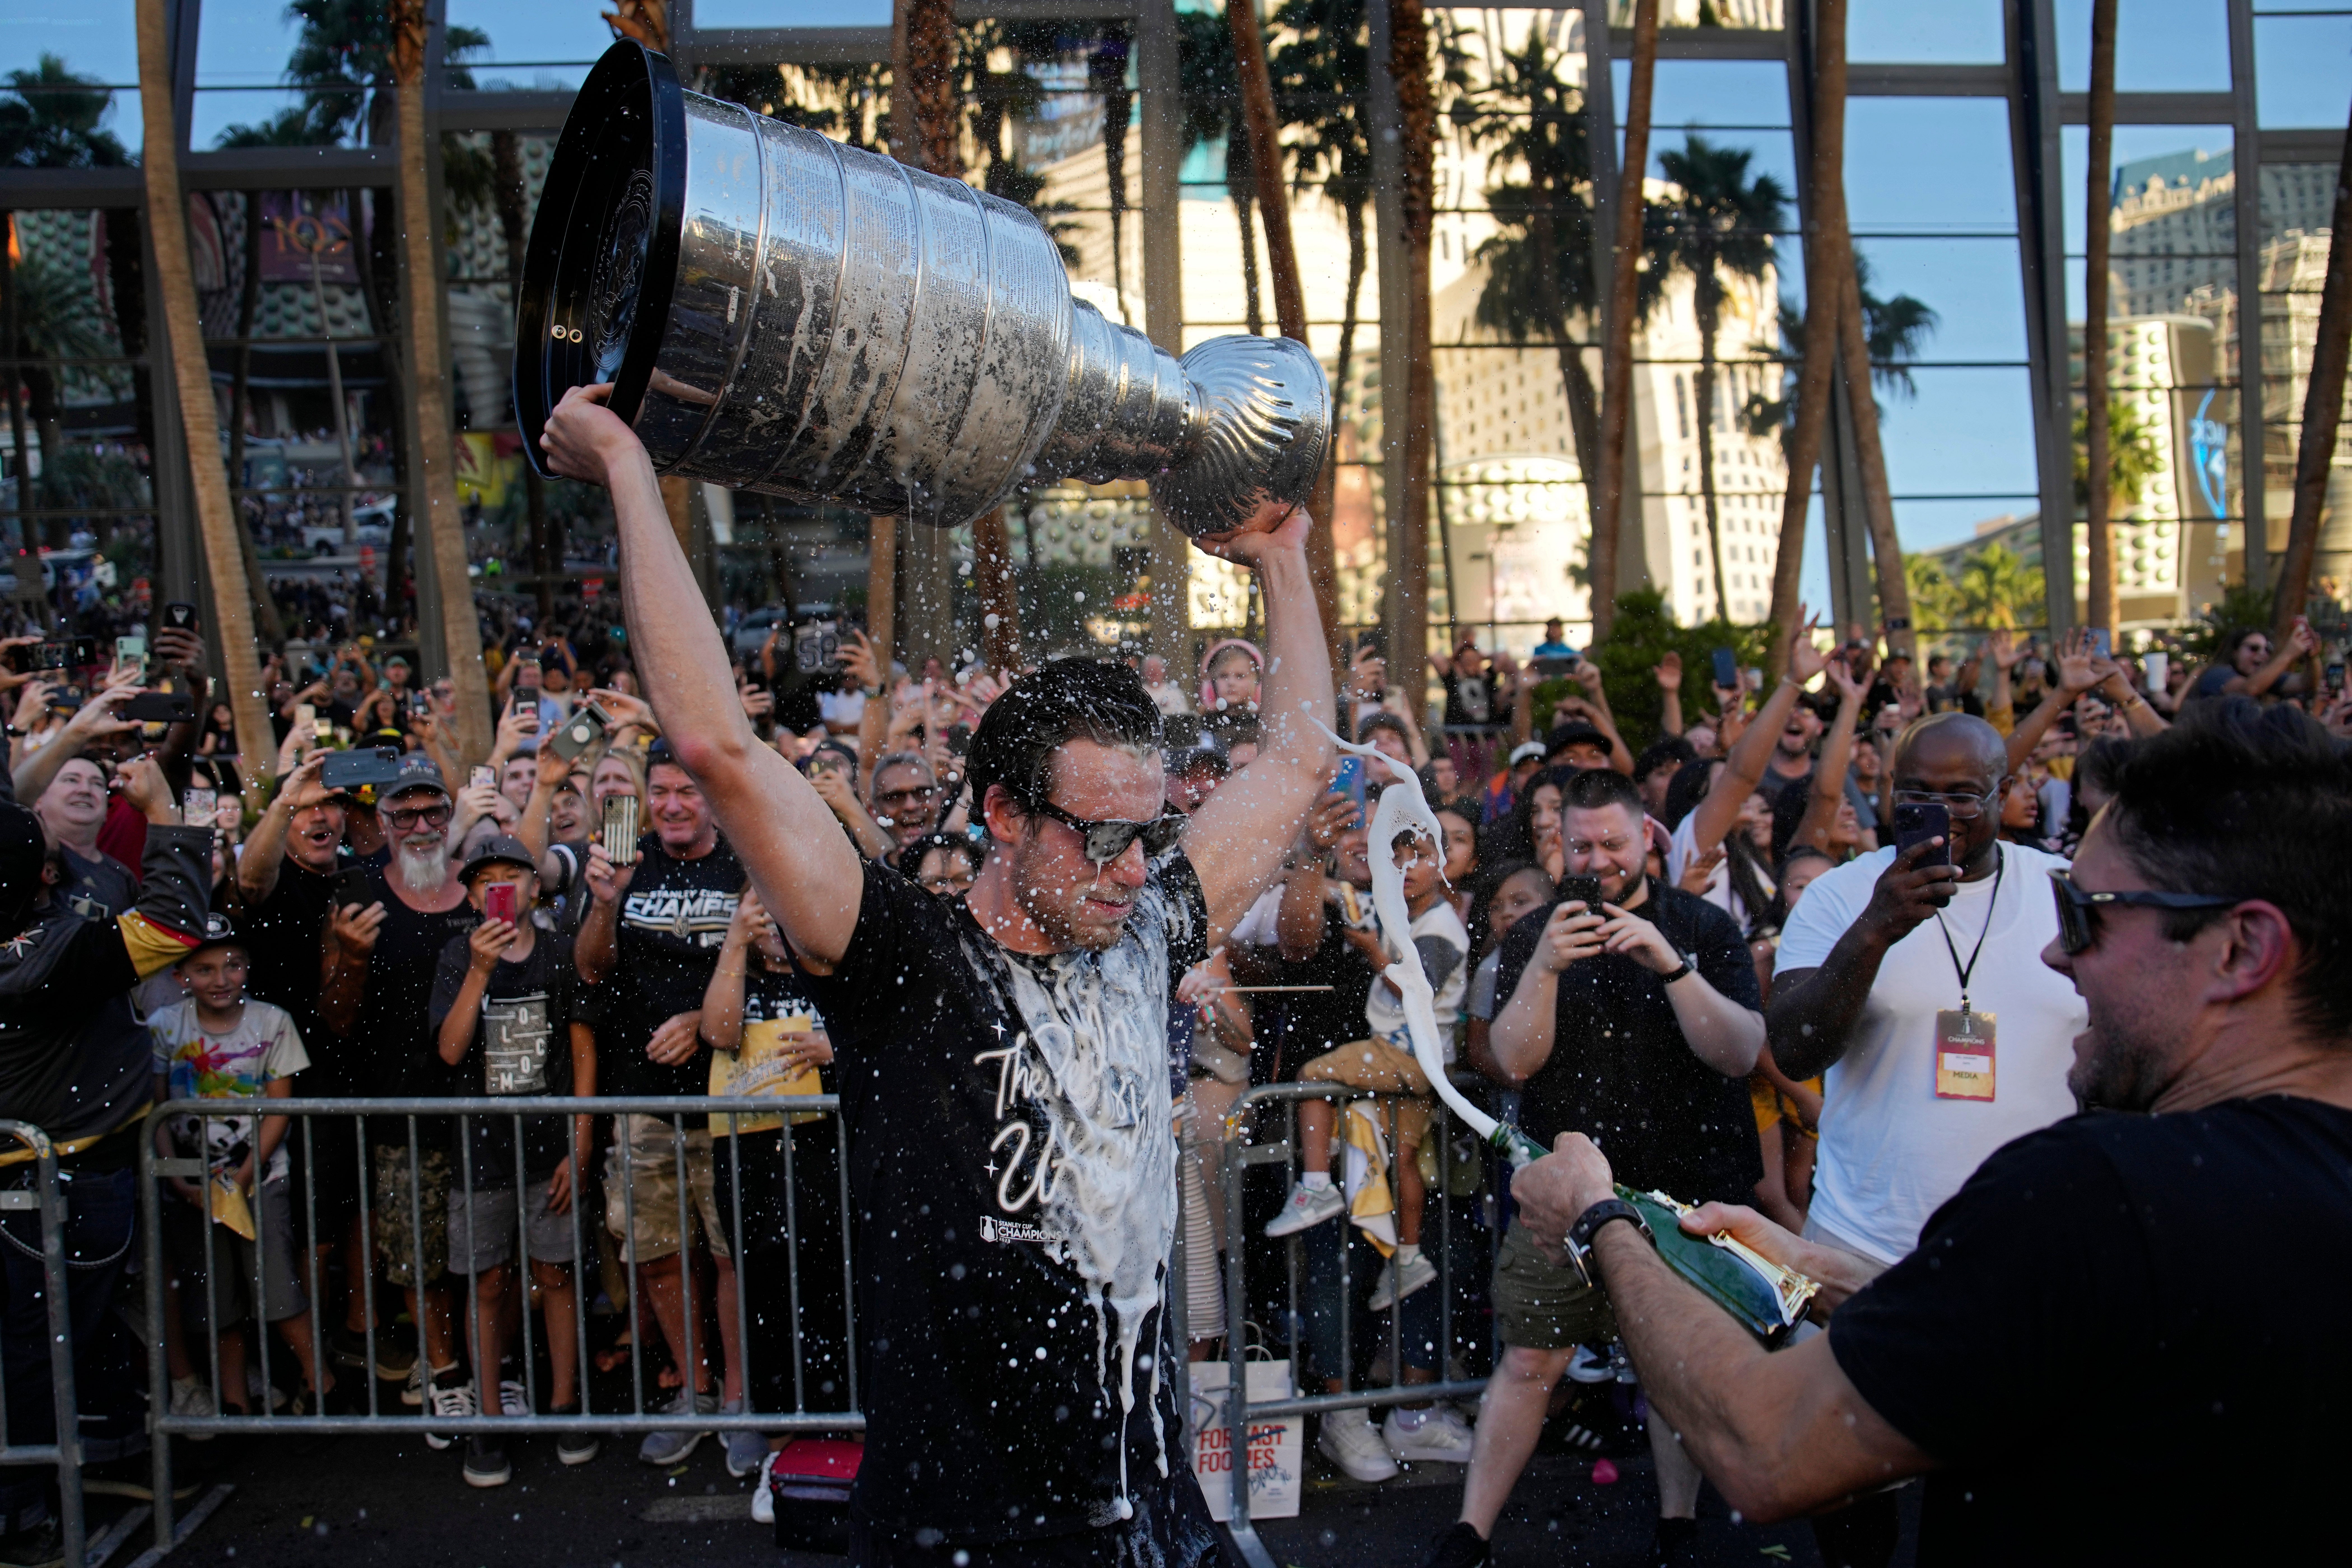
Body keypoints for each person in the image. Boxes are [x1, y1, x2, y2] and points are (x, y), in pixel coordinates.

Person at [540, 377, 1332, 1565]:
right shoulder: (905, 959)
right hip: (960, 1536)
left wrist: (1280, 559)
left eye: (1149, 832)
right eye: (1098, 835)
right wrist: (629, 475)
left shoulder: (1141, 931)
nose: (1131, 869)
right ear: (1004, 812)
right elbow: (716, 743)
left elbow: (1294, 768)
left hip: (1161, 1533)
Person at [1507, 698, 2352, 1564]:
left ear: (2243, 948)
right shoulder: (2191, 1207)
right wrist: (1819, 1267)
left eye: (2091, 918)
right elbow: (2029, 1330)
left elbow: (1767, 1446)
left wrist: (1600, 1220)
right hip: (1869, 1232)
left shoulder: (2097, 1198)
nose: (2060, 957)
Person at [1433, 767, 1765, 1568]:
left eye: (1613, 842)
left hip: (1682, 1191)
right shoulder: (1530, 936)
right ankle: (1468, 1535)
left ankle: (1677, 1526)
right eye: (1580, 844)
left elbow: (1740, 1053)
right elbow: (1512, 1063)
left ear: (1645, 836)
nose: (1598, 858)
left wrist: (1672, 966)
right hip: (1566, 1193)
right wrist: (1543, 966)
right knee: (1529, 1359)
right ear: (1559, 847)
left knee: (1675, 1367)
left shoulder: (1701, 926)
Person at [0, 753, 206, 1563]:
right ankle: (25, 1511)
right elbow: (173, 928)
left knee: (49, 1348)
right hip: (57, 1182)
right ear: (41, 871)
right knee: (38, 1352)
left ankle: (71, 1471)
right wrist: (169, 817)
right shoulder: (43, 962)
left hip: (48, 1173)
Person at [577, 739, 742, 1464]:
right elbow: (589, 968)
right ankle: (694, 1389)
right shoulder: (624, 861)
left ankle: (739, 1401)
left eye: (688, 791)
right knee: (659, 1257)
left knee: (730, 1252)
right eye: (662, 792)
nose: (673, 806)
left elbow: (771, 967)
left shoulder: (741, 862)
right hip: (643, 1100)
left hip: (732, 1095)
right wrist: (604, 907)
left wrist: (704, 1030)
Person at [317, 754, 479, 1436]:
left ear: (450, 817)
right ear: (380, 822)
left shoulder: (481, 890)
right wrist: (350, 958)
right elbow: (335, 1018)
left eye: (432, 812)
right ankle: (444, 1370)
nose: (419, 825)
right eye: (404, 814)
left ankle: (486, 1365)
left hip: (486, 1102)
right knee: (418, 1253)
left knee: (486, 1252)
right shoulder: (358, 892)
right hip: (400, 1104)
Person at [429, 836, 599, 1487]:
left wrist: (580, 1139)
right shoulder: (457, 955)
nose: (500, 888)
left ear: (535, 887)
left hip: (548, 1146)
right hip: (479, 1152)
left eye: (513, 877)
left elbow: (583, 1050)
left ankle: (564, 1402)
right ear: (471, 896)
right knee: (487, 1283)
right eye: (486, 880)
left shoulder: (559, 953)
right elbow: (449, 1051)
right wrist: (476, 971)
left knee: (556, 1274)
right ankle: (489, 1417)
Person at [151, 914, 335, 1417]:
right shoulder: (166, 1028)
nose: (221, 979)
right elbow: (158, 1111)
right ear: (182, 975)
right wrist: (181, 1178)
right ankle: (234, 1402)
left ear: (248, 969)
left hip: (260, 1180)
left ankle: (320, 1384)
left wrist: (245, 1175)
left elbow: (279, 1107)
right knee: (215, 1301)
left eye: (232, 966)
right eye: (205, 969)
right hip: (190, 1185)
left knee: (277, 1290)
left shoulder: (271, 1022)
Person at [698, 886, 850, 1488]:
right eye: (755, 906)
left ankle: (845, 1426)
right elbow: (717, 1030)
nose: (768, 916)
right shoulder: (740, 971)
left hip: (826, 1154)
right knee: (764, 1289)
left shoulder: (834, 975)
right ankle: (781, 1447)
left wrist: (834, 1046)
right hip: (754, 1157)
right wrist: (735, 940)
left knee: (838, 1285)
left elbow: (876, 1035)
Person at [2186, 617, 2316, 703]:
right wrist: (2288, 655)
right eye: (2254, 648)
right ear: (2235, 652)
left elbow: (2306, 682)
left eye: (2267, 650)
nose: (2262, 654)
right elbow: (2249, 689)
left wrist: (2312, 657)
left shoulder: (2261, 679)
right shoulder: (2216, 674)